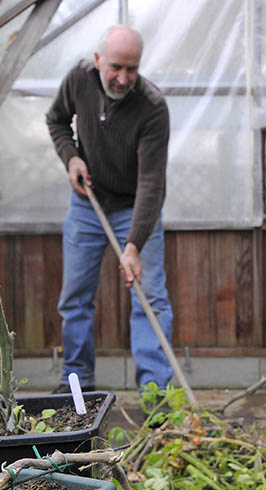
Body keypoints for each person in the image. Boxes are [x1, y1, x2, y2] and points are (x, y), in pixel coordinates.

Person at [45, 25, 173, 393]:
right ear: (98, 60)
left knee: (150, 297)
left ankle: (155, 395)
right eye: (116, 67)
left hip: (135, 209)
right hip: (88, 204)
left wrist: (133, 245)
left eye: (132, 69)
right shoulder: (79, 80)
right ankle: (77, 383)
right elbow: (56, 121)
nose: (123, 78)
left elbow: (152, 184)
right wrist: (71, 158)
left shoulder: (151, 107)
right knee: (75, 297)